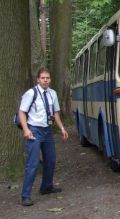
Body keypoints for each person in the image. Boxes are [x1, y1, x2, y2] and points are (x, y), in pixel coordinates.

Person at [18, 68, 69, 206]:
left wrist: (62, 128)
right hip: (34, 130)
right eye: (43, 78)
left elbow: (56, 113)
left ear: (50, 79)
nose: (45, 80)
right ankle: (25, 195)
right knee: (32, 164)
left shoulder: (53, 94)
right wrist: (26, 129)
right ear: (38, 79)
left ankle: (46, 186)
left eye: (47, 78)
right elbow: (22, 112)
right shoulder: (31, 93)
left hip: (47, 131)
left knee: (51, 160)